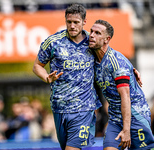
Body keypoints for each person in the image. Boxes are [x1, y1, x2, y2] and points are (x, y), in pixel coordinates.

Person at [33, 3, 102, 150]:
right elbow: (37, 66)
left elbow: (111, 59)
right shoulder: (53, 42)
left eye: (76, 22)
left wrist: (130, 69)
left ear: (84, 22)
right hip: (59, 108)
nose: (72, 26)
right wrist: (46, 77)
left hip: (84, 108)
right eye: (69, 22)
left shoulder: (93, 42)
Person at [89, 19, 154, 150]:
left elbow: (125, 97)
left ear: (106, 39)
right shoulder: (92, 54)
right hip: (115, 118)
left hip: (135, 115)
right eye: (91, 31)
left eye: (97, 33)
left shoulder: (117, 63)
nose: (91, 35)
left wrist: (126, 130)